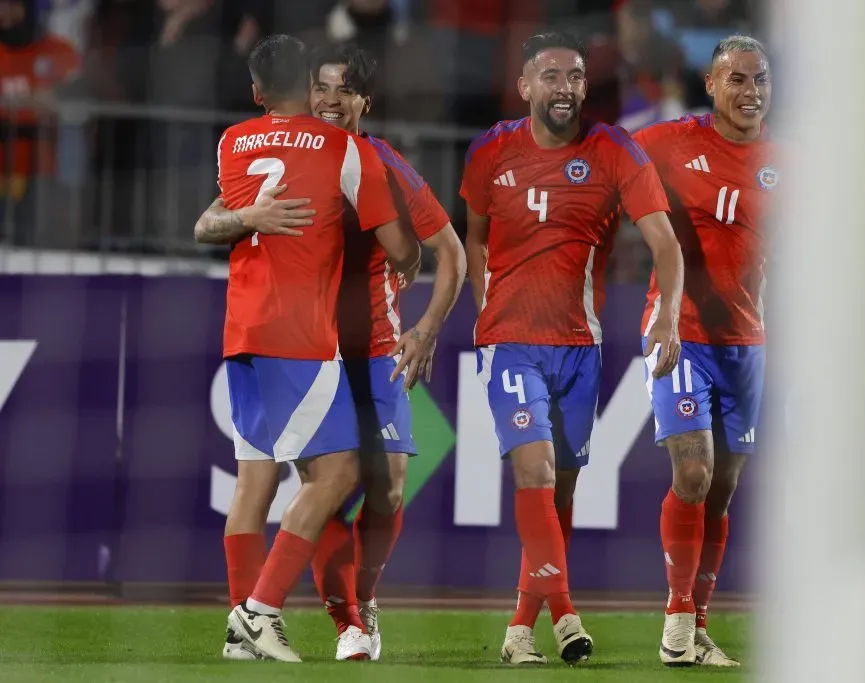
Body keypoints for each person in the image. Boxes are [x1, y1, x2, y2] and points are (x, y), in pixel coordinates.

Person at [193, 34, 421, 664]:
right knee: (340, 471)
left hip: (241, 329)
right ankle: (259, 613)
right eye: (323, 86)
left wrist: (247, 220)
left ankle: (244, 636)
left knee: (255, 481)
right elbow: (404, 250)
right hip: (302, 336)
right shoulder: (346, 149)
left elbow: (205, 224)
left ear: (258, 92)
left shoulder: (233, 141)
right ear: (308, 87)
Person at [461, 30, 684, 666]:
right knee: (531, 471)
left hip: (579, 346)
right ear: (525, 85)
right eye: (552, 76)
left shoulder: (613, 150)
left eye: (576, 77)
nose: (565, 88)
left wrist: (667, 317)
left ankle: (517, 631)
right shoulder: (490, 152)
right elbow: (473, 238)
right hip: (510, 344)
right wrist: (486, 308)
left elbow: (666, 246)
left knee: (559, 495)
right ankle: (566, 618)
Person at [303, 42, 467, 662]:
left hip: (374, 346)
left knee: (391, 487)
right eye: (322, 88)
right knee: (322, 485)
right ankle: (347, 622)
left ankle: (363, 599)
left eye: (345, 90)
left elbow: (450, 253)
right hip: (305, 349)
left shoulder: (383, 162)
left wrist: (424, 330)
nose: (331, 101)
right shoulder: (285, 155)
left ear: (364, 102)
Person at [632, 35, 774, 668]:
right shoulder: (666, 142)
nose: (751, 92)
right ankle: (676, 617)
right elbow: (601, 171)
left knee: (721, 490)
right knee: (691, 474)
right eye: (737, 80)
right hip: (678, 330)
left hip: (747, 340)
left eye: (760, 79)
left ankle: (700, 624)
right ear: (712, 86)